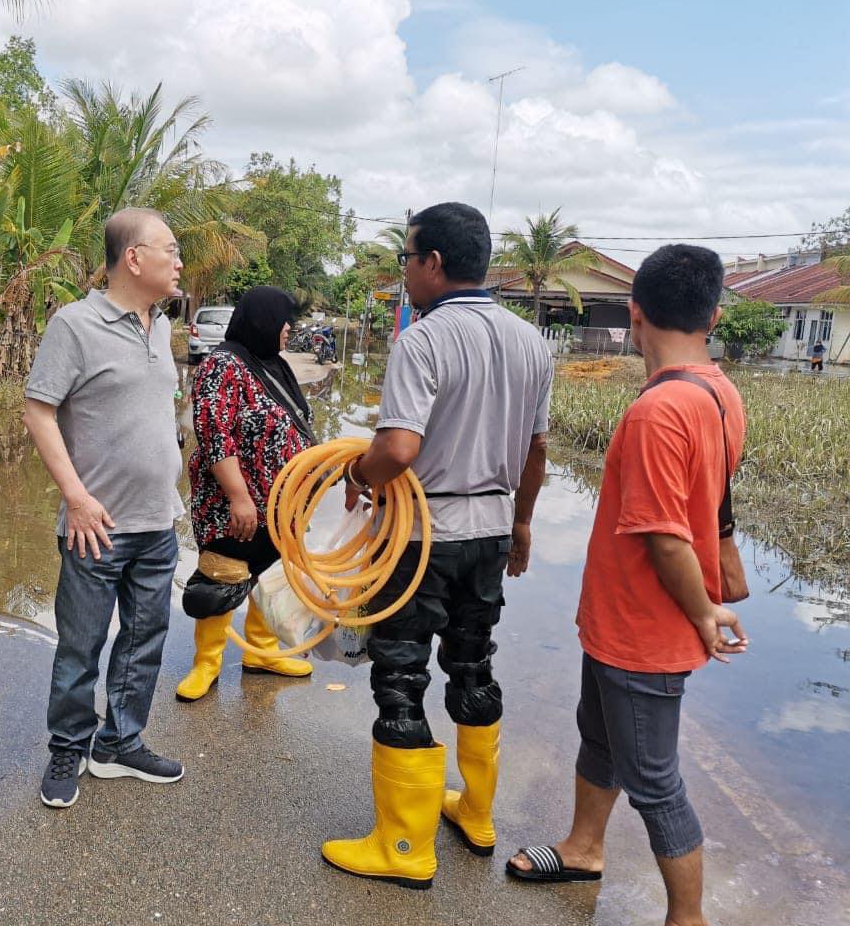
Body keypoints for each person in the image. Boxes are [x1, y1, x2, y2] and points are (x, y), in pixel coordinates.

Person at [507, 245, 748, 926]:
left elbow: (666, 535)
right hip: (619, 621)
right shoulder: (720, 392)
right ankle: (584, 847)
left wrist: (703, 614)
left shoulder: (658, 412)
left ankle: (687, 917)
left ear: (635, 313)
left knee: (656, 783)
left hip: (647, 629)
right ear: (714, 315)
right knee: (601, 738)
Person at [321, 202, 553, 889]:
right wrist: (523, 523)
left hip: (422, 537)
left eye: (407, 258)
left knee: (400, 679)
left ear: (435, 264)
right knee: (474, 665)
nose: (404, 273)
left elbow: (397, 446)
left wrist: (355, 474)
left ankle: (403, 848)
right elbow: (537, 449)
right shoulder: (531, 342)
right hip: (488, 531)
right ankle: (476, 816)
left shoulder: (422, 340)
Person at [24, 207, 187, 809]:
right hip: (97, 527)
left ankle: (119, 743)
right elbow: (38, 412)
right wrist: (77, 497)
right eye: (169, 249)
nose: (178, 260)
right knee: (80, 645)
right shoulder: (74, 325)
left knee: (145, 640)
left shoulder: (163, 325)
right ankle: (68, 745)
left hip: (156, 520)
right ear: (134, 258)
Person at [176, 286, 316, 702]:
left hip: (281, 504)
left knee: (271, 575)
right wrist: (239, 496)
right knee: (223, 575)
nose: (288, 328)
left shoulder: (272, 364)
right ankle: (207, 662)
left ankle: (263, 652)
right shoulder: (222, 365)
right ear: (262, 320)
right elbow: (214, 434)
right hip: (234, 503)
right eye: (283, 320)